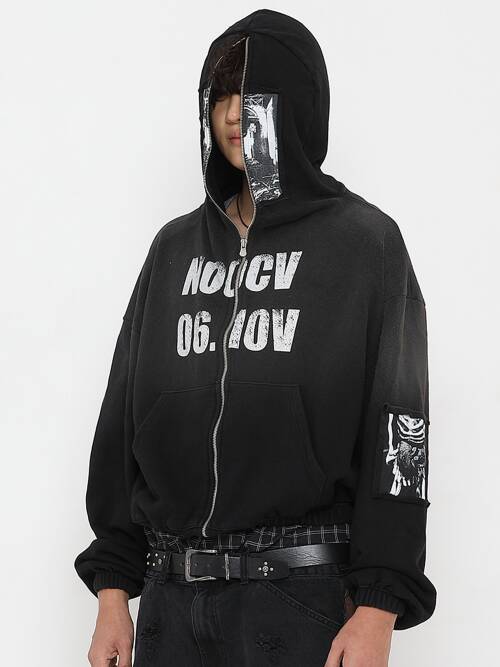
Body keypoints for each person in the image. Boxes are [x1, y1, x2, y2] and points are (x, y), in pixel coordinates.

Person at [74, 8, 437, 667]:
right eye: (221, 95)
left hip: (299, 598)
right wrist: (113, 590)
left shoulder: (364, 244)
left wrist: (380, 605)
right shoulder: (174, 249)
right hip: (171, 599)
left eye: (255, 93)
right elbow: (121, 420)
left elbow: (400, 430)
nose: (235, 113)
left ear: (298, 106)